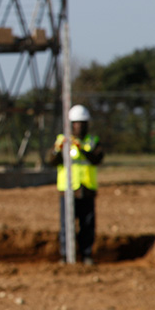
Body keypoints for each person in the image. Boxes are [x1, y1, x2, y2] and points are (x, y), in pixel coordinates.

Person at [47, 104, 104, 265]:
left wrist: (83, 149)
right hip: (67, 190)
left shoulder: (93, 141)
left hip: (87, 189)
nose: (79, 126)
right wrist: (60, 149)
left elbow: (97, 159)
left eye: (82, 123)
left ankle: (86, 254)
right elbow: (51, 161)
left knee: (87, 224)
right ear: (70, 124)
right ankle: (65, 255)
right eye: (76, 123)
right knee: (66, 225)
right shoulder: (62, 140)